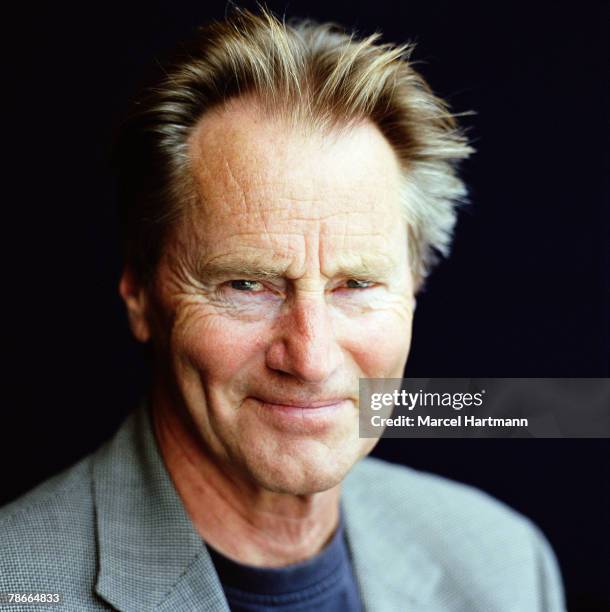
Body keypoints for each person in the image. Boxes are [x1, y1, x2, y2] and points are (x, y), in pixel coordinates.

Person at [0, 8, 565, 611]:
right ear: (141, 294)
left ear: (414, 288)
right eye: (248, 284)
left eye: (356, 284)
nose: (311, 357)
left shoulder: (505, 566)